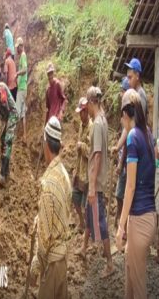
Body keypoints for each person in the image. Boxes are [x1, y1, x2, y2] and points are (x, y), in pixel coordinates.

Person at [115, 89, 157, 299]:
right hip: (148, 218)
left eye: (121, 117)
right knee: (129, 268)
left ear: (125, 114)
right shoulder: (148, 133)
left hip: (139, 221)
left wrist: (121, 226)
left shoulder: (133, 137)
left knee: (139, 287)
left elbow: (130, 187)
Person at [30, 116, 72, 298]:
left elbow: (45, 238)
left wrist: (35, 267)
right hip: (62, 259)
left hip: (53, 264)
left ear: (46, 144)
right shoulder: (63, 174)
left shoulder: (48, 185)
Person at [76, 86, 114, 278]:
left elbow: (97, 156)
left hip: (96, 183)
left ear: (92, 103)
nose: (87, 111)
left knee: (99, 222)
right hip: (97, 181)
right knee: (90, 215)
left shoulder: (98, 124)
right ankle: (83, 248)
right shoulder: (103, 120)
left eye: (88, 106)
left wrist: (91, 187)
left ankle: (109, 263)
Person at [0, 76, 19, 186]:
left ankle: (3, 175)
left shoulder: (0, 88)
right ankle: (6, 172)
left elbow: (5, 105)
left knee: (7, 141)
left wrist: (3, 121)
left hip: (12, 115)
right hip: (8, 117)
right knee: (2, 141)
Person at [72, 97, 93, 232]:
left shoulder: (91, 127)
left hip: (87, 171)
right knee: (75, 197)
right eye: (79, 113)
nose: (80, 115)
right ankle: (81, 222)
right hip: (79, 168)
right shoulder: (81, 125)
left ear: (86, 111)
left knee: (85, 204)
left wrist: (82, 146)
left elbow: (92, 151)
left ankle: (87, 227)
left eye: (82, 112)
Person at [112, 77, 129, 229]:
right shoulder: (125, 108)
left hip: (127, 162)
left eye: (122, 91)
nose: (121, 94)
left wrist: (121, 162)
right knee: (119, 195)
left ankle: (122, 223)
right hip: (123, 159)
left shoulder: (129, 111)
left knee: (121, 194)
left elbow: (127, 137)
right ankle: (119, 220)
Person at [15, 37, 28, 144]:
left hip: (22, 88)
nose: (16, 50)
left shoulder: (23, 56)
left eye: (17, 48)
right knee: (23, 112)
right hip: (23, 88)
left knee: (17, 111)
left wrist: (17, 74)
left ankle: (15, 136)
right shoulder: (23, 56)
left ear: (20, 46)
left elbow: (24, 69)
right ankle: (24, 136)